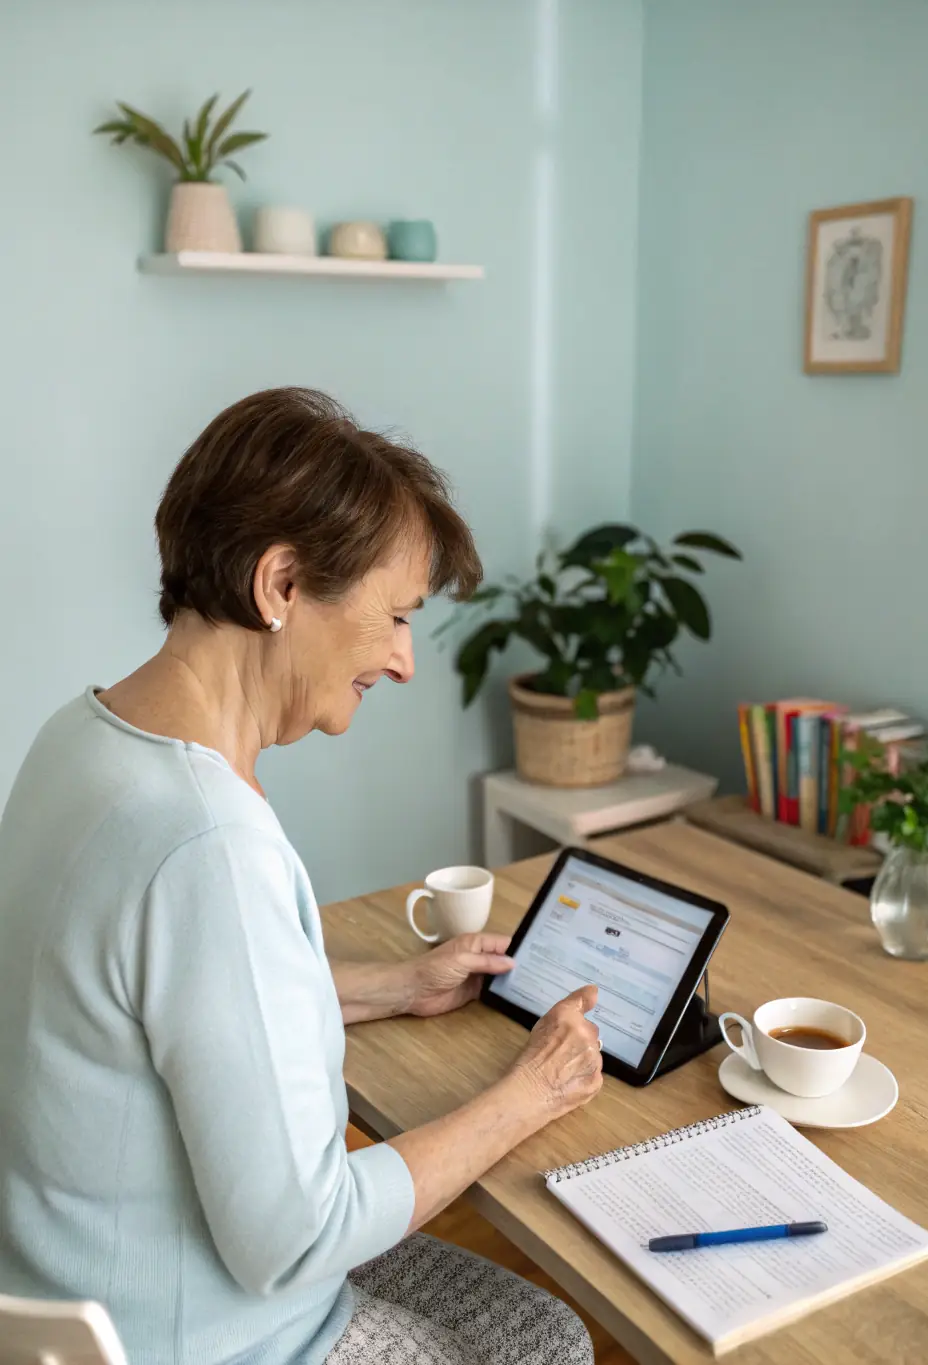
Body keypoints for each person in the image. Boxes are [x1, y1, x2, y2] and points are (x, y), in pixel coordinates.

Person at [0, 388, 603, 1365]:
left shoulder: (78, 742)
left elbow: (166, 1005)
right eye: (397, 616)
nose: (405, 661)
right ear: (280, 584)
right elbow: (300, 1236)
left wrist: (393, 986)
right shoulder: (209, 846)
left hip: (71, 1288)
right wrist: (528, 1094)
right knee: (548, 1341)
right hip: (198, 1337)